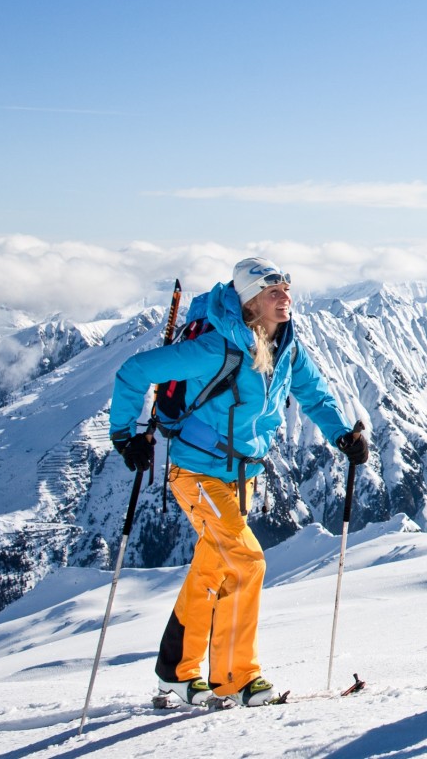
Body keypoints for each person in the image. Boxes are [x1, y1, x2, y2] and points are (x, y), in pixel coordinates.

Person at [108, 257, 369, 707]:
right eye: (274, 292)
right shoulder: (216, 347)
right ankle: (236, 678)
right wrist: (123, 436)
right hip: (197, 473)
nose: (285, 297)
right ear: (251, 301)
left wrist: (342, 434)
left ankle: (176, 672)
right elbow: (134, 371)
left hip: (242, 476)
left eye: (287, 288)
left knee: (213, 568)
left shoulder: (286, 344)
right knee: (248, 562)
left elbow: (314, 394)